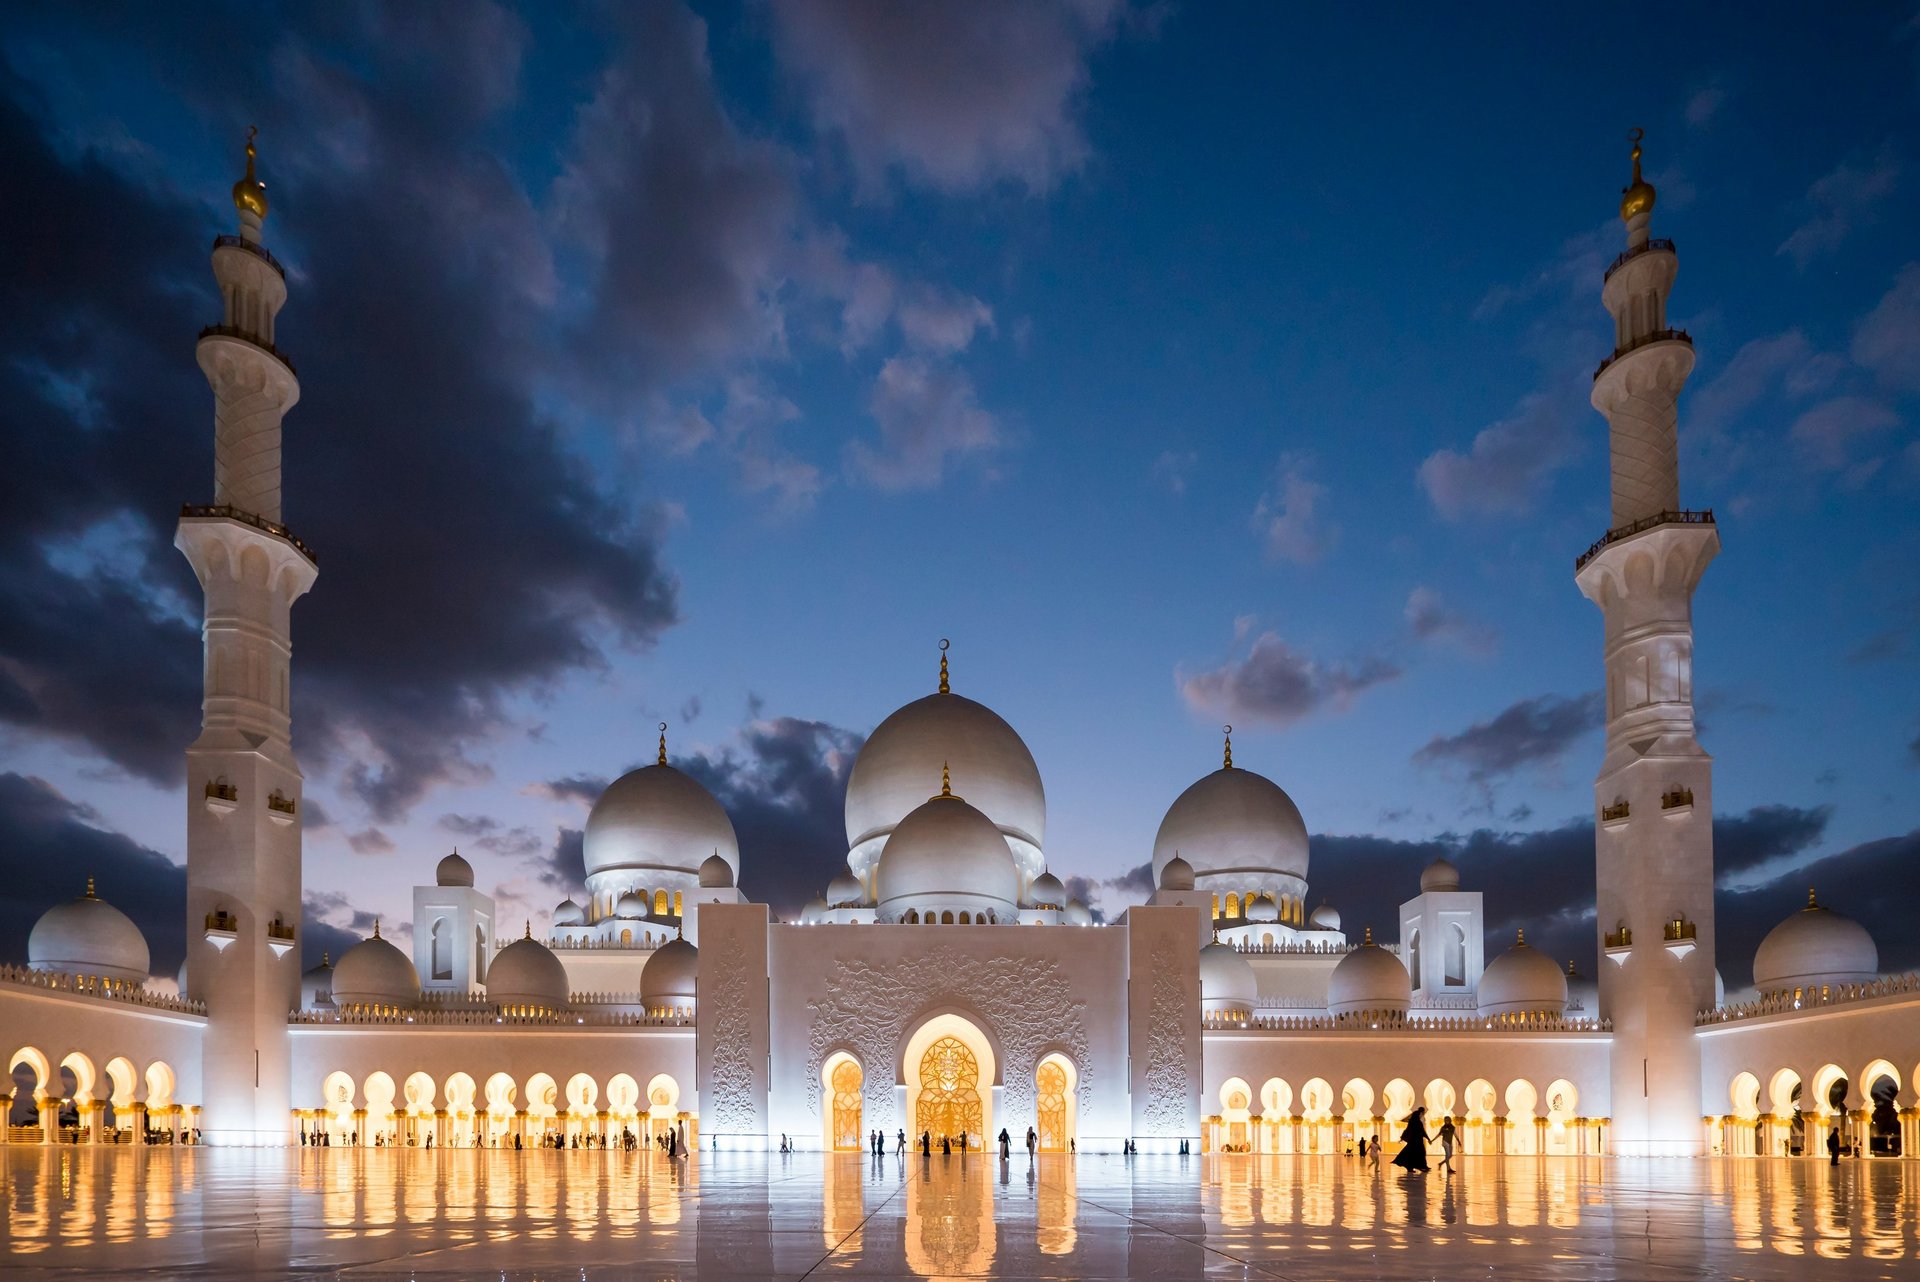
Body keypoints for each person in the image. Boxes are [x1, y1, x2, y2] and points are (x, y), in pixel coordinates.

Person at [1392, 1106, 1430, 1174]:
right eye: (1422, 1113)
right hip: (1417, 1140)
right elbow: (1422, 1131)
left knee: (1411, 1153)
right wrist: (1428, 1138)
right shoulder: (1417, 1122)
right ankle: (1420, 1166)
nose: (1422, 1115)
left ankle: (1412, 1167)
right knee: (1419, 1153)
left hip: (1414, 1140)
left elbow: (1407, 1130)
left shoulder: (1413, 1122)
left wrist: (1402, 1138)